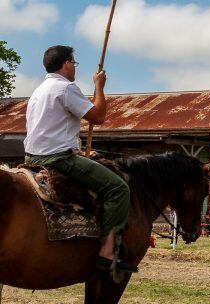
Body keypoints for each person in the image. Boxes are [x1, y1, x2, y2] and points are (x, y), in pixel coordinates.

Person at [24, 45, 132, 272]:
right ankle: (107, 251)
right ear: (65, 64)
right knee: (118, 189)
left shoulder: (38, 91)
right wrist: (99, 86)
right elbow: (99, 116)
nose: (75, 67)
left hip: (32, 157)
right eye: (74, 63)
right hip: (57, 158)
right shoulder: (66, 88)